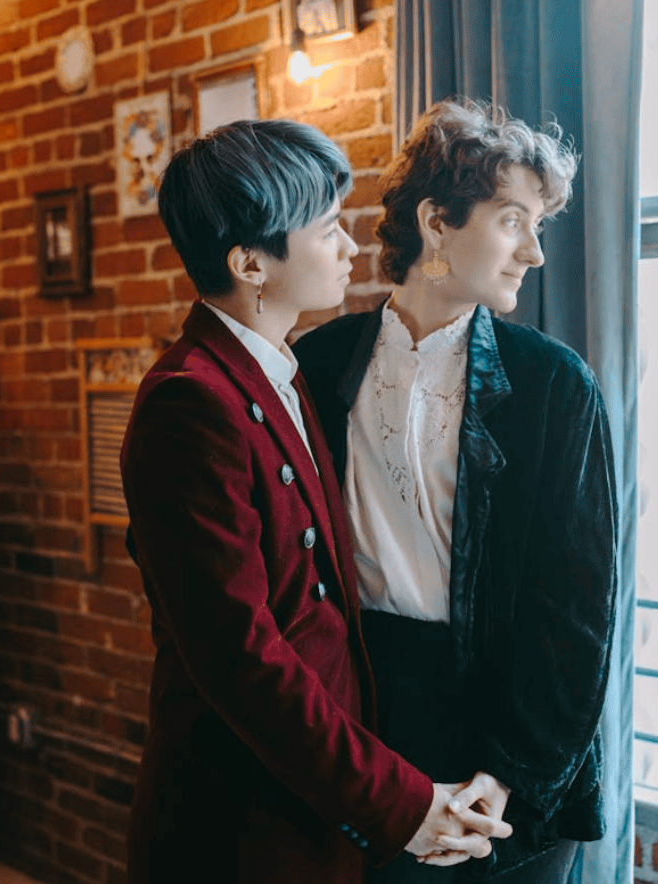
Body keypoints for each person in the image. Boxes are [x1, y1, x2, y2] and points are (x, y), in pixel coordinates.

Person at [120, 118, 512, 884]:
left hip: (310, 803)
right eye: (328, 228)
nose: (350, 247)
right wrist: (402, 805)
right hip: (237, 825)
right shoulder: (188, 402)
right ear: (250, 264)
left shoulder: (284, 372)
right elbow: (244, 658)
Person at [294, 99, 620, 883]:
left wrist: (506, 776)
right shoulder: (315, 366)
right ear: (438, 220)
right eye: (514, 221)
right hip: (372, 722)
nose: (535, 253)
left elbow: (579, 612)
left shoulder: (554, 384)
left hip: (519, 736)